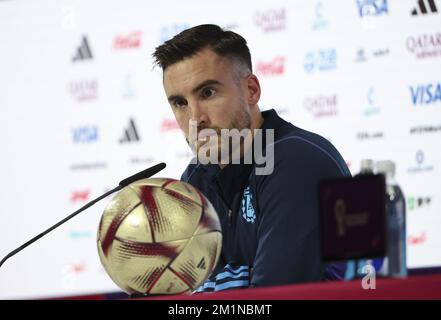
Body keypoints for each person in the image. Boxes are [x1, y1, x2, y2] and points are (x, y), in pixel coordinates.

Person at [153, 24, 350, 293]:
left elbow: (270, 300)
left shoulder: (295, 162)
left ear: (251, 90)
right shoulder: (196, 178)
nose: (196, 119)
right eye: (180, 103)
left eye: (208, 93)